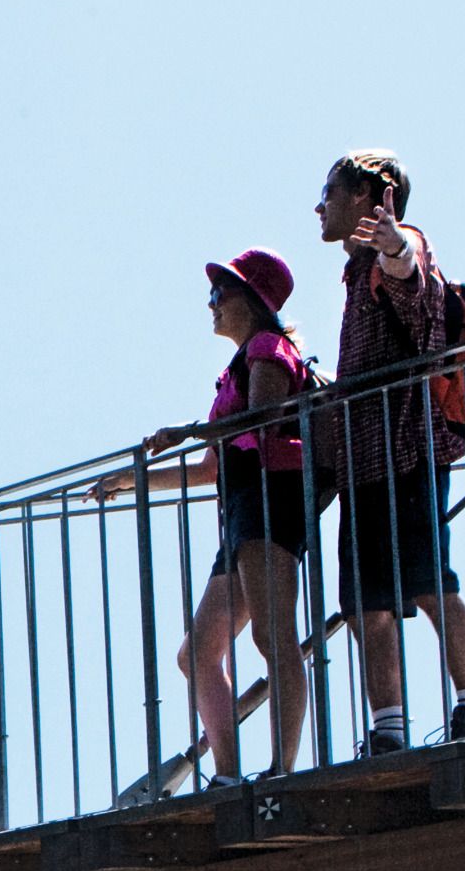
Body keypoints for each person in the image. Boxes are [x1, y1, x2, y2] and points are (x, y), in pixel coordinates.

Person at [100, 249, 315, 783]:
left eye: (222, 292)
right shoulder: (237, 366)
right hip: (244, 510)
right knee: (197, 653)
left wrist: (188, 430)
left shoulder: (268, 348)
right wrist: (132, 480)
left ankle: (280, 772)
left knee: (273, 637)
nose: (212, 303)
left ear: (252, 300)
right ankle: (228, 776)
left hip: (270, 501)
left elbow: (263, 418)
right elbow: (209, 470)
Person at [317, 149, 465, 751]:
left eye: (331, 192)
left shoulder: (397, 245)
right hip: (365, 460)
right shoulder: (354, 271)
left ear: (368, 197)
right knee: (368, 603)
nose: (320, 206)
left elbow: (415, 288)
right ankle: (388, 730)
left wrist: (395, 246)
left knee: (429, 583)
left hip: (409, 451)